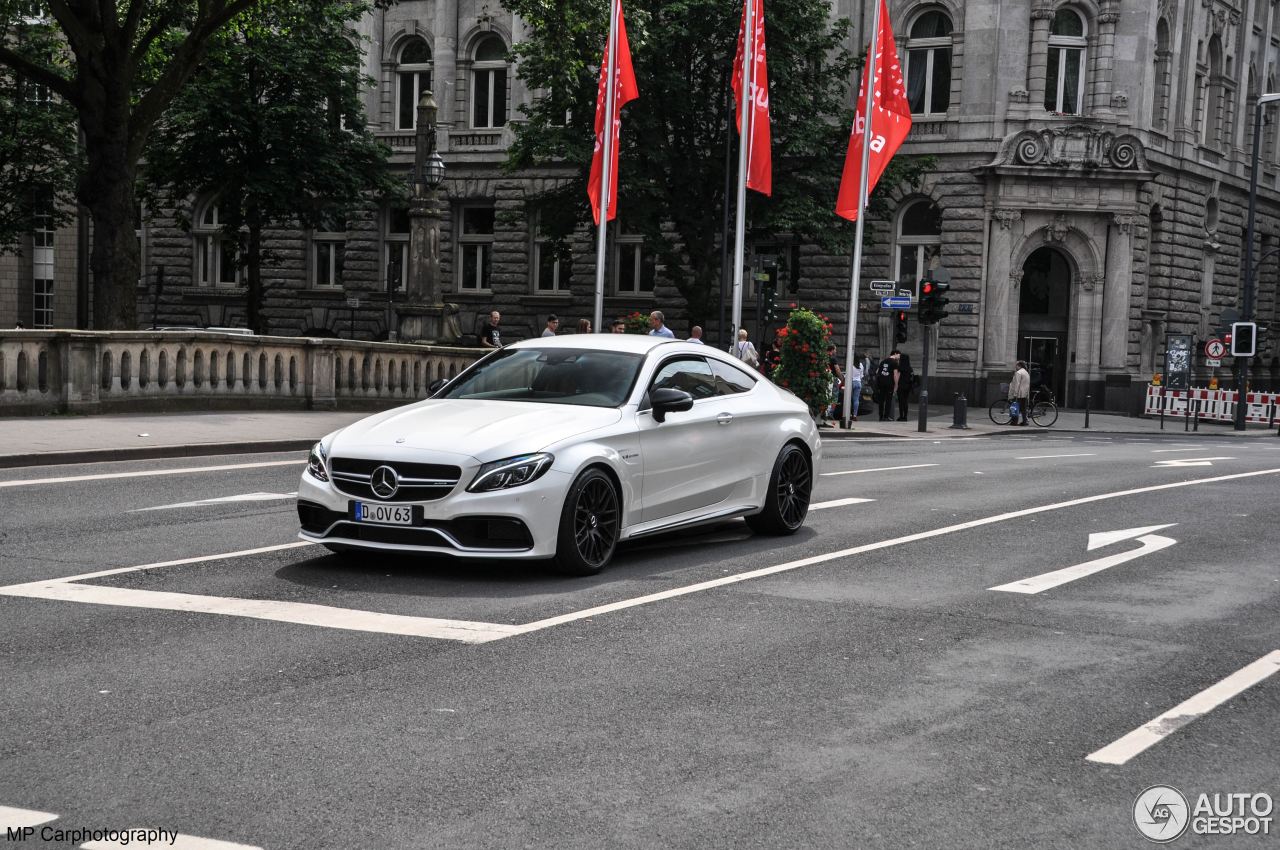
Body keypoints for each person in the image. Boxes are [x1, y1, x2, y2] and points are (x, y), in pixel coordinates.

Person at [875, 351, 899, 421]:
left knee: (881, 400)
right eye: (898, 355)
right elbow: (895, 375)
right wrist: (896, 385)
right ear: (895, 354)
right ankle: (886, 416)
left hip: (881, 383)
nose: (899, 357)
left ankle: (880, 416)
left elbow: (877, 372)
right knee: (888, 400)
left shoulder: (883, 361)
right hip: (889, 383)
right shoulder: (895, 363)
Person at [1009, 359, 1031, 425]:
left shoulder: (1018, 373)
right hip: (1025, 393)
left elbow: (1017, 384)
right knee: (1023, 408)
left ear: (1019, 366)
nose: (1015, 367)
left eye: (1016, 365)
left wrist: (1015, 394)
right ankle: (1025, 421)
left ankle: (1014, 422)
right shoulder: (1026, 372)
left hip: (1019, 393)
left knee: (1015, 407)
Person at [895, 351, 914, 421]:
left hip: (901, 386)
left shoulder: (900, 368)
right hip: (908, 386)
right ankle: (905, 416)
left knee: (900, 401)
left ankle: (901, 416)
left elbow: (897, 376)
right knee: (905, 401)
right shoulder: (910, 368)